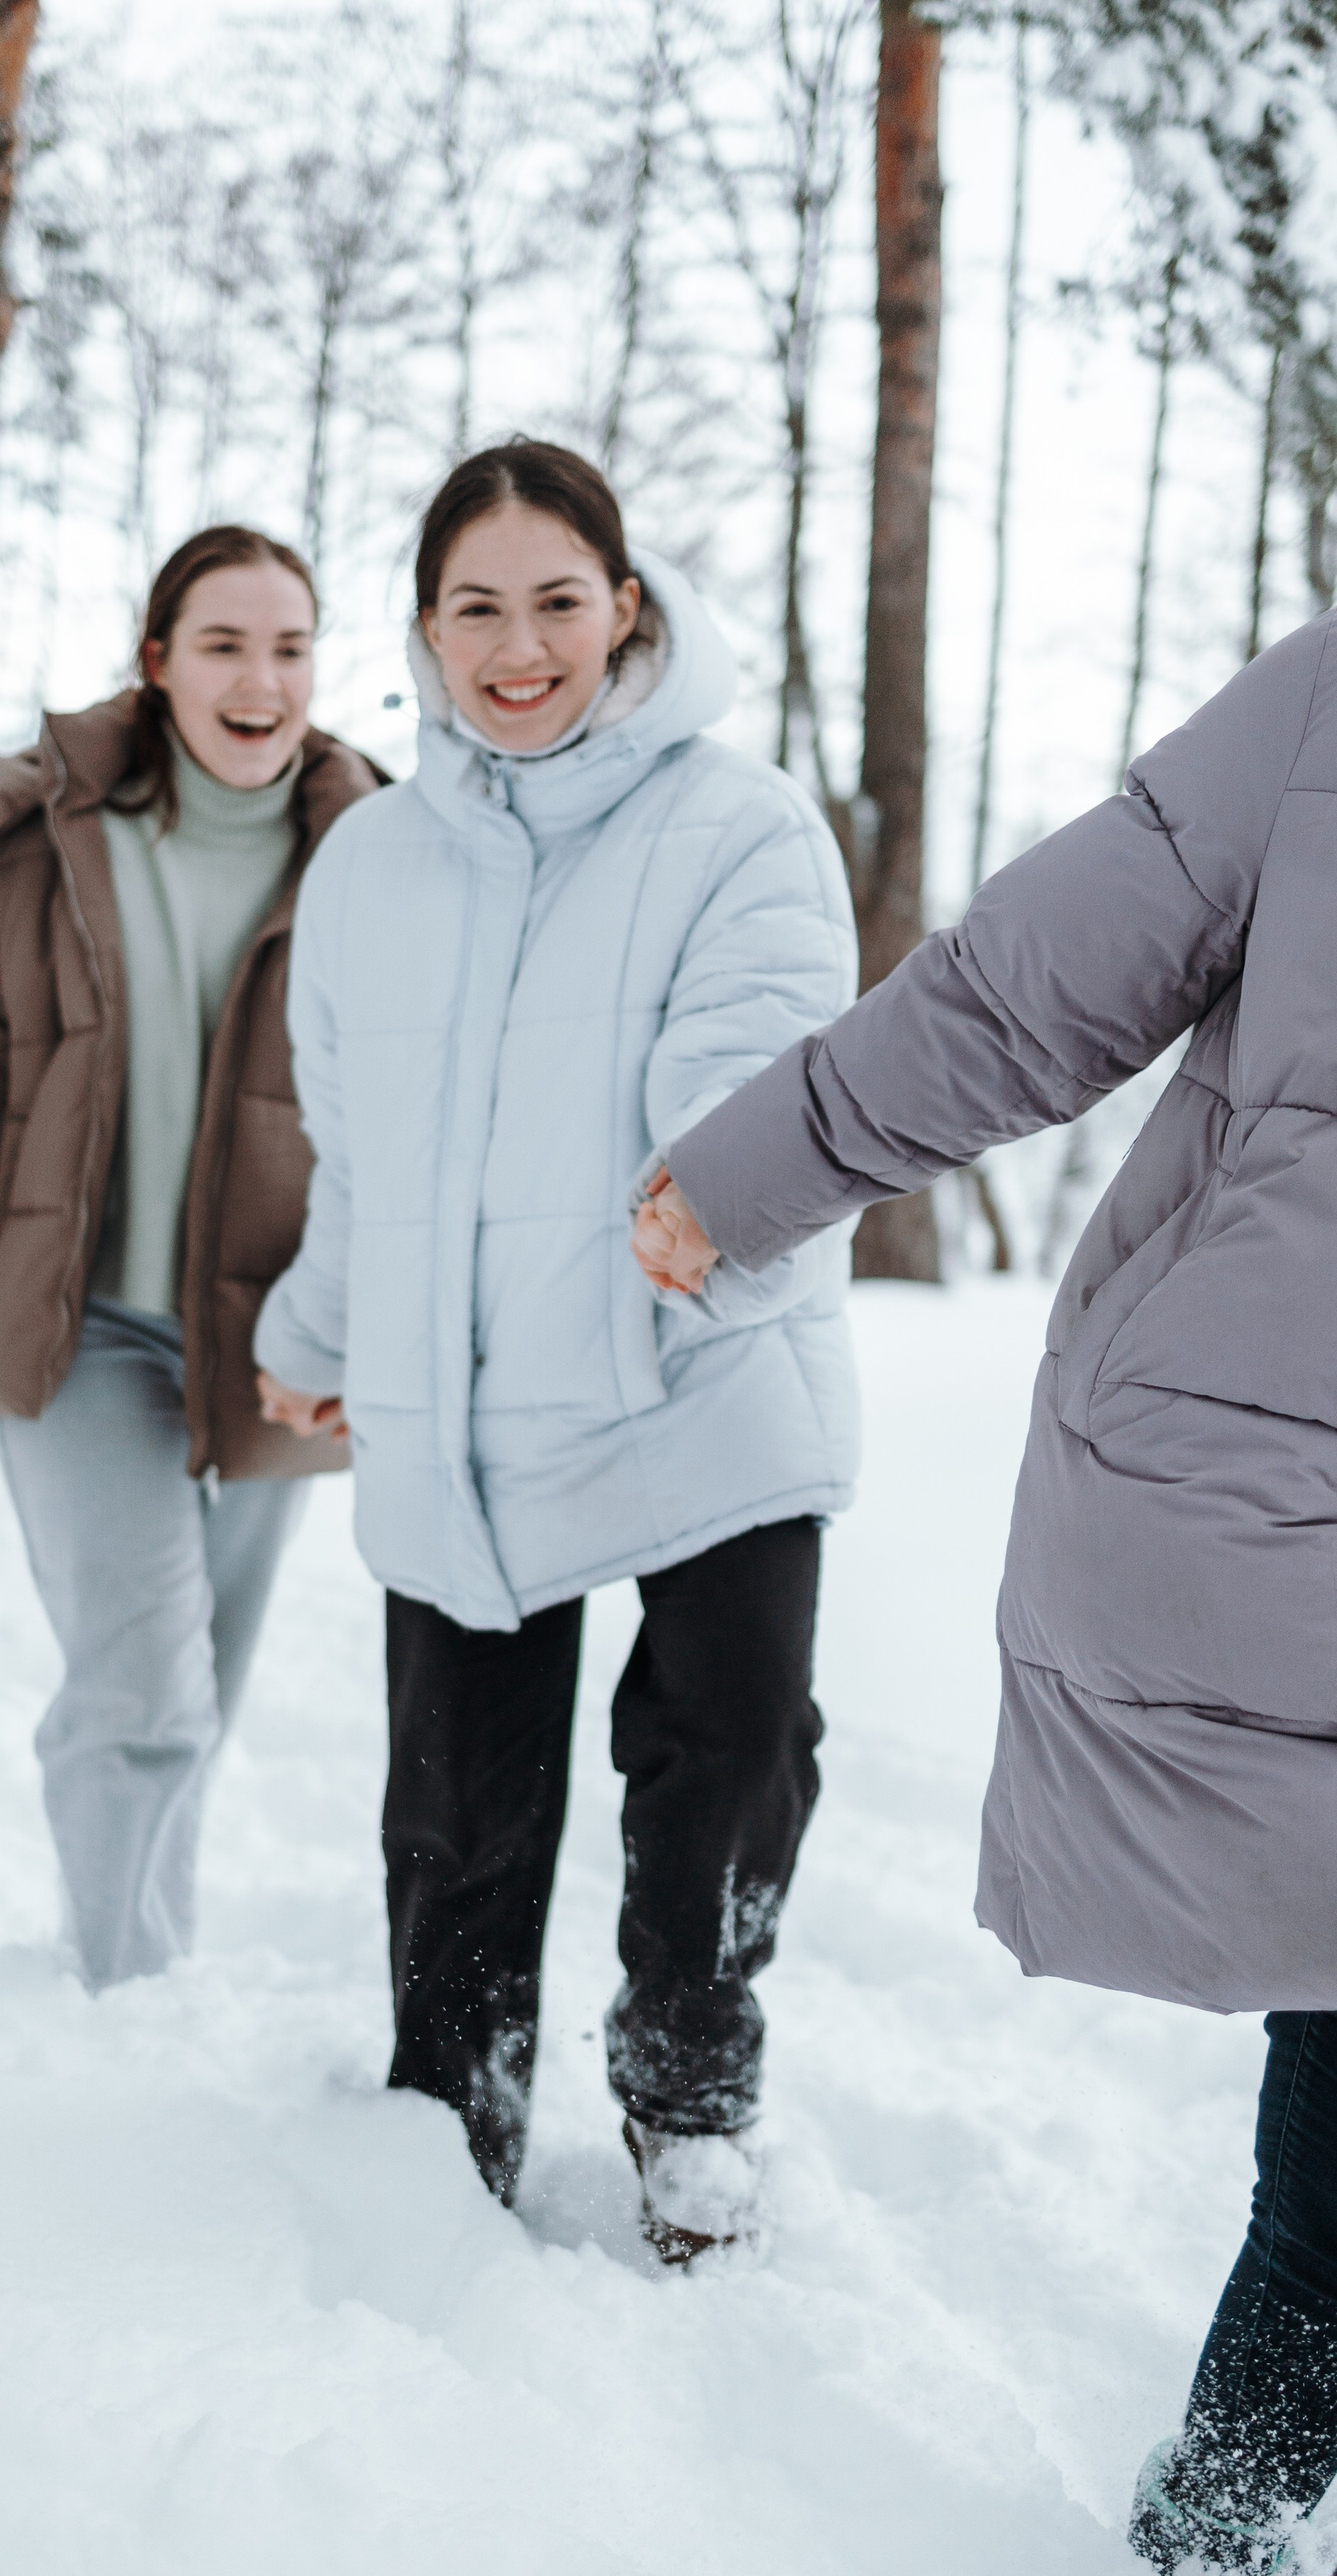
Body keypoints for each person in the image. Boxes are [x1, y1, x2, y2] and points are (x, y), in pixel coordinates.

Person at [635, 610, 1337, 2563]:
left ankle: (1225, 2507)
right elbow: (1033, 982)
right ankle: (1224, 2516)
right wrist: (764, 1163)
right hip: (1290, 1477)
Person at [253, 439, 860, 2257]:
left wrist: (711, 1209)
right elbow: (352, 1153)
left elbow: (754, 1086)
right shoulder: (368, 864)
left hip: (700, 1366)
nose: (519, 649)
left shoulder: (738, 824)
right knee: (453, 1798)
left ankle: (690, 2094)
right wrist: (318, 1329)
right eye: (475, 609)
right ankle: (449, 2113)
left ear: (626, 607)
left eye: (557, 603)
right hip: (465, 1390)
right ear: (425, 632)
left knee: (724, 1760)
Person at [0, 525, 382, 1988]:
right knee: (139, 1680)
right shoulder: (38, 850)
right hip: (77, 1335)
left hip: (283, 1342)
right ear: (157, 662)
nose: (259, 680)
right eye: (222, 645)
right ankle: (122, 1990)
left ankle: (141, 1949)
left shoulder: (383, 859)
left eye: (287, 648)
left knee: (204, 1687)